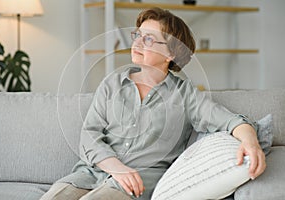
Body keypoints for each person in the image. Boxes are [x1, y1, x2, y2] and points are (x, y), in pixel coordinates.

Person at [40, 7, 266, 200]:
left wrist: (252, 144)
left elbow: (232, 122)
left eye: (148, 38)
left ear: (170, 53)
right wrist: (116, 168)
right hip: (91, 172)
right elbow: (89, 135)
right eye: (137, 35)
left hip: (136, 183)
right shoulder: (112, 83)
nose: (137, 42)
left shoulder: (185, 95)